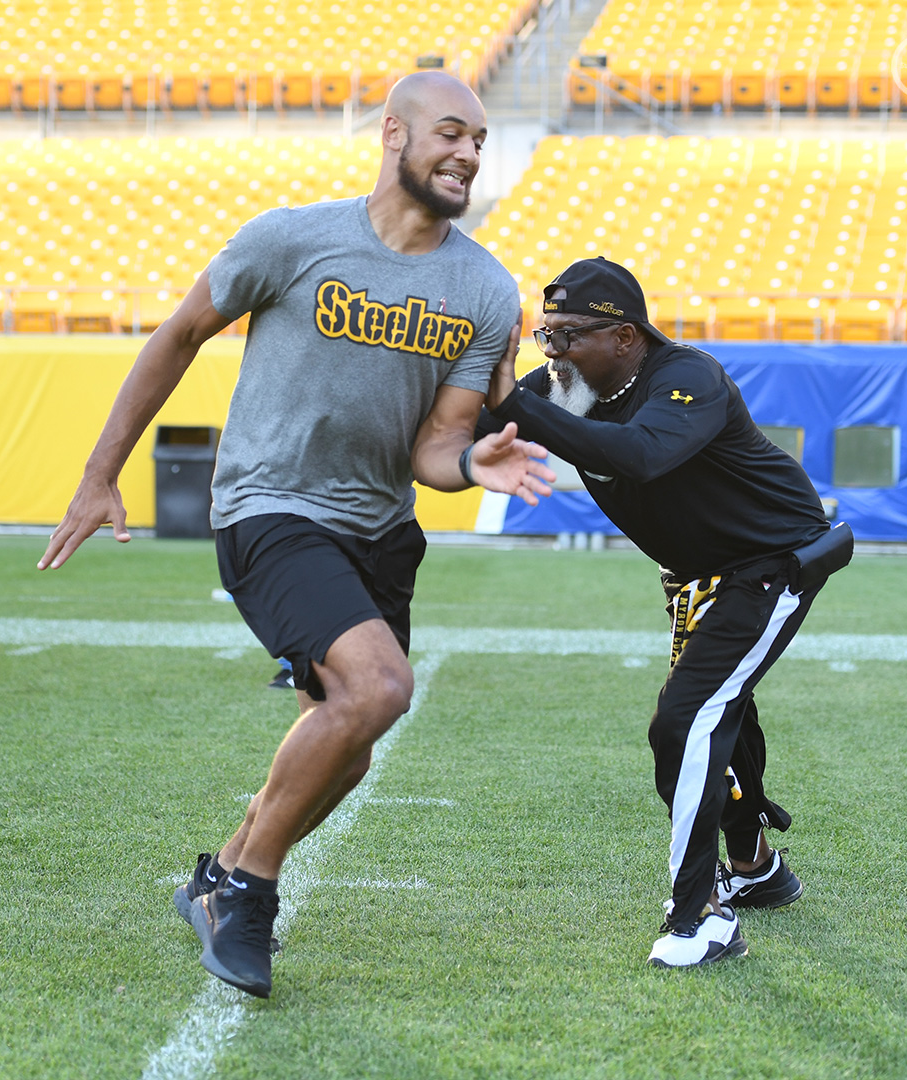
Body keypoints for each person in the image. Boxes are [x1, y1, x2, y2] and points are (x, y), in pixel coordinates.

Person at [38, 70, 555, 998]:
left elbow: (437, 445)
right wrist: (99, 473)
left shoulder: (484, 288)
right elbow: (179, 335)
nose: (469, 155)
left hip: (379, 530)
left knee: (347, 748)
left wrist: (469, 467)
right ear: (394, 134)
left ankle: (218, 873)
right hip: (270, 508)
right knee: (381, 685)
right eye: (451, 134)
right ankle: (247, 894)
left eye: (480, 142)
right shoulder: (289, 238)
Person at [479, 256, 852, 968]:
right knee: (720, 714)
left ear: (624, 337)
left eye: (566, 337)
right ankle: (755, 868)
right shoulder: (563, 387)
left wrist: (522, 407)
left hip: (770, 563)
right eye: (543, 334)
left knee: (686, 721)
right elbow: (476, 416)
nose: (550, 353)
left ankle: (700, 919)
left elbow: (643, 455)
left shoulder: (688, 376)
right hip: (694, 573)